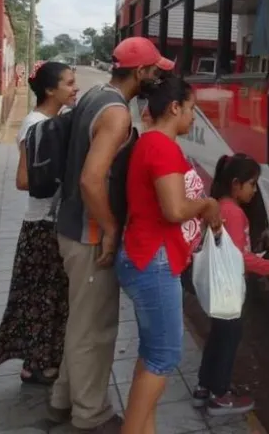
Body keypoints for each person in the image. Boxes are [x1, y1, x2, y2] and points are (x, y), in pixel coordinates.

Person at [49, 36, 173, 433]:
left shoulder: (95, 93)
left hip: (70, 224)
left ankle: (63, 400)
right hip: (87, 233)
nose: (158, 76)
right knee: (96, 329)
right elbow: (91, 179)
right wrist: (110, 227)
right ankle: (90, 415)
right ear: (140, 72)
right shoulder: (117, 114)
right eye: (155, 70)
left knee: (81, 321)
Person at [115, 75, 222, 434]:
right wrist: (206, 203)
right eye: (191, 109)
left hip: (146, 256)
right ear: (174, 107)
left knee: (151, 356)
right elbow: (174, 209)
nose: (194, 117)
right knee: (163, 357)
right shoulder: (163, 147)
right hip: (153, 261)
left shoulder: (150, 143)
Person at [0, 62, 78, 384]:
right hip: (41, 225)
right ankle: (36, 365)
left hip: (52, 223)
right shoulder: (36, 126)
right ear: (50, 90)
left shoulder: (53, 122)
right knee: (41, 297)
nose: (75, 88)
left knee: (51, 295)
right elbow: (24, 179)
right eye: (69, 83)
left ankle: (44, 358)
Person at [192, 153, 269, 416]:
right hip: (229, 287)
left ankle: (205, 387)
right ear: (236, 184)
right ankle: (220, 395)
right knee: (229, 339)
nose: (255, 191)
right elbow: (238, 256)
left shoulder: (221, 206)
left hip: (219, 285)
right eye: (252, 184)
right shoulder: (233, 212)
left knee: (218, 336)